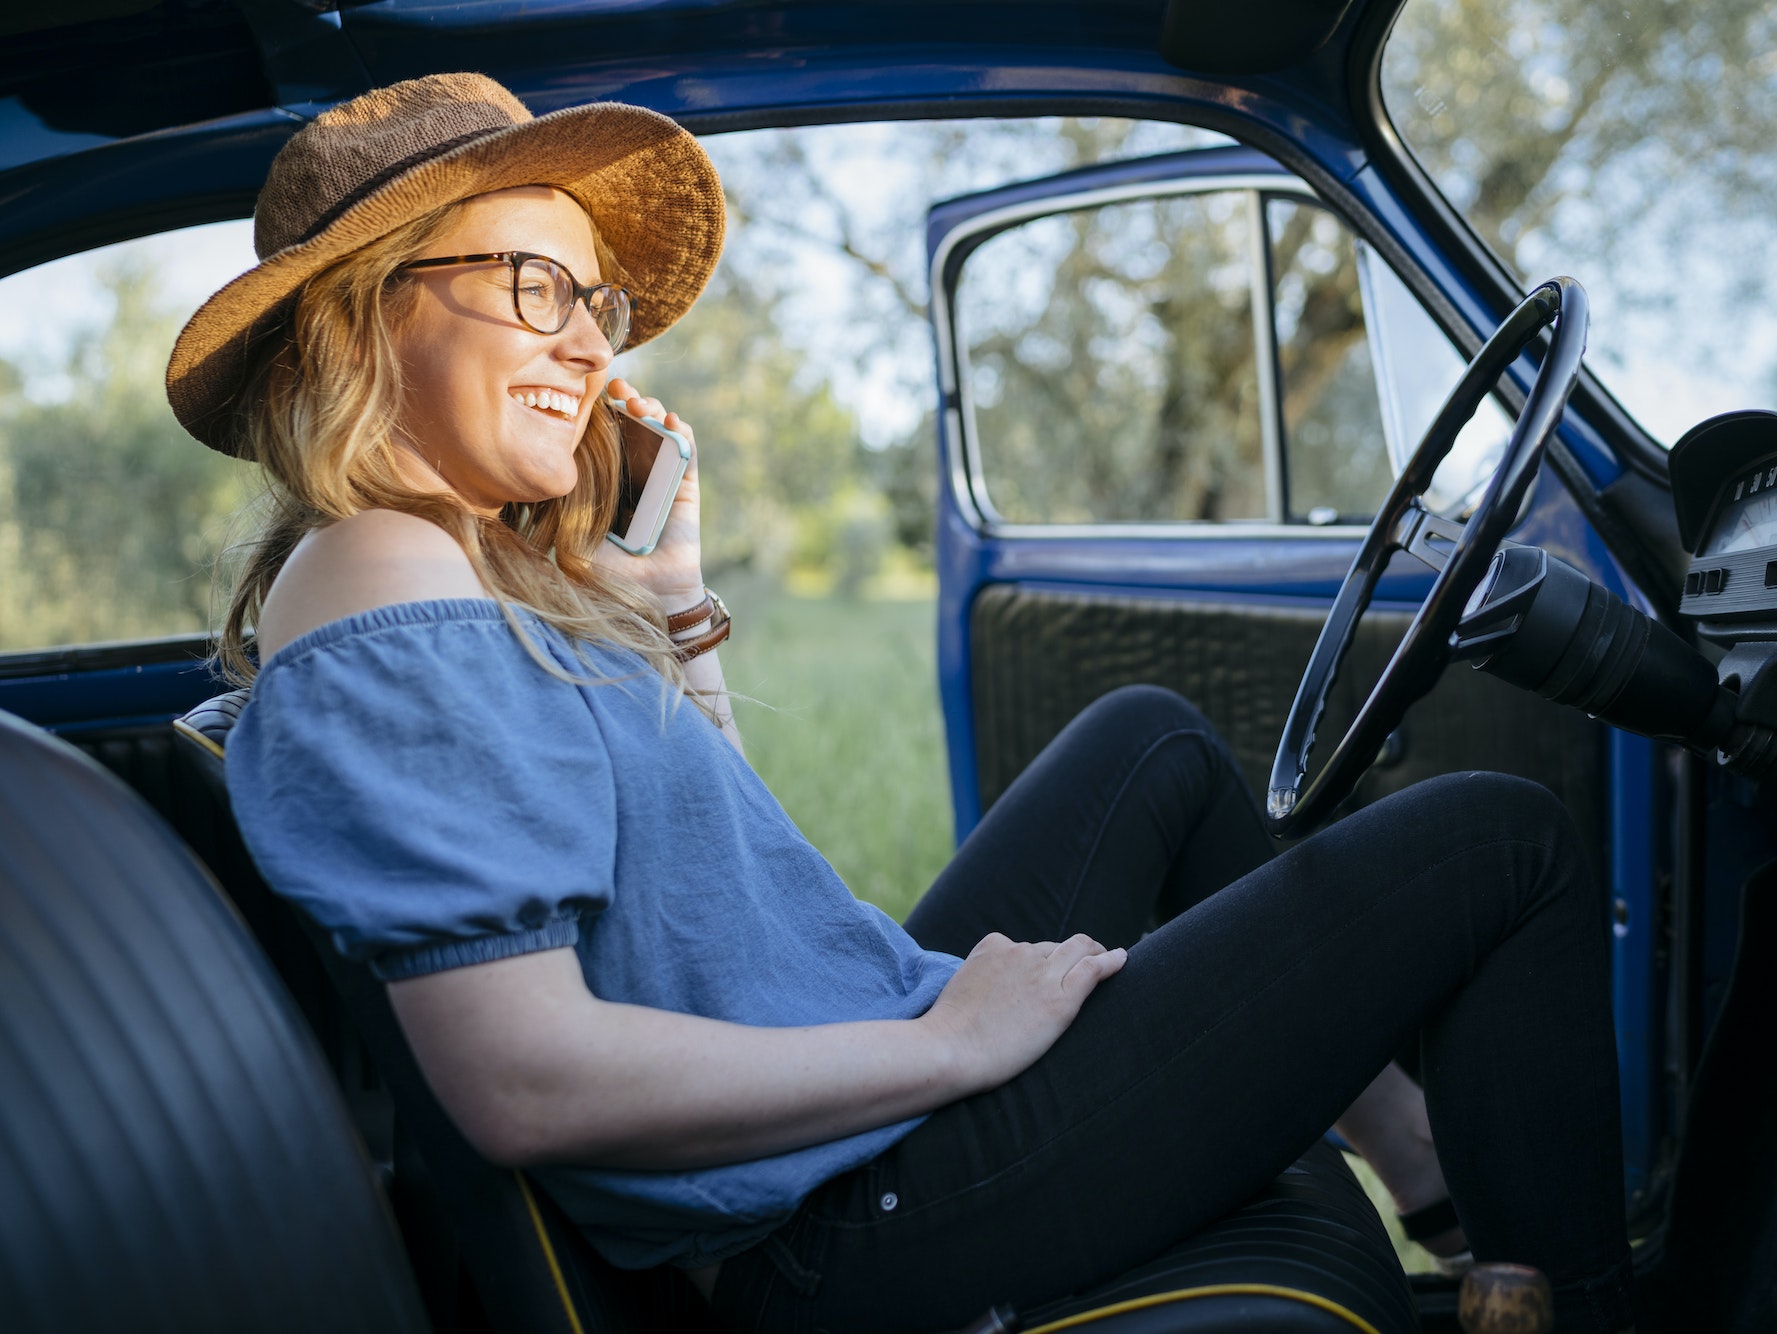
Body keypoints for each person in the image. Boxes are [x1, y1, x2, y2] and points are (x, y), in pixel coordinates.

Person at [172, 73, 1635, 1333]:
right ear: (366, 315)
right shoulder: (379, 571)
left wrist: (676, 604)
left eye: (594, 302)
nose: (589, 347)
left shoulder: (467, 566)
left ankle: (1428, 1171)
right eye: (531, 286)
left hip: (843, 1130)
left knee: (1154, 742)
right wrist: (956, 1043)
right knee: (1497, 842)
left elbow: (721, 892)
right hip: (834, 1224)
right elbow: (521, 1080)